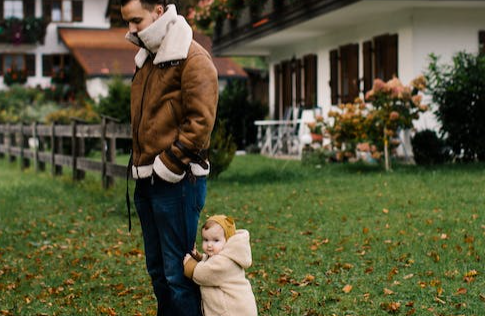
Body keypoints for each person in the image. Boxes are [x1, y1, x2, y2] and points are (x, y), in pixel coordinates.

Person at [120, 0, 218, 315]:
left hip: (177, 182)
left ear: (159, 12)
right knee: (158, 272)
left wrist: (168, 165)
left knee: (180, 275)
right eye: (127, 22)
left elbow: (200, 123)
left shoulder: (192, 57)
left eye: (136, 20)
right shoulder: (146, 58)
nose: (131, 29)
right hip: (146, 182)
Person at [183, 215, 258, 316]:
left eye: (215, 240)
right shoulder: (225, 256)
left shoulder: (225, 262)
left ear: (228, 240)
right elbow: (211, 263)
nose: (209, 244)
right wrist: (199, 258)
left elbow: (205, 273)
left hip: (233, 311)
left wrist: (190, 265)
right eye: (206, 240)